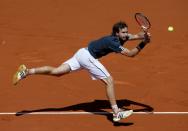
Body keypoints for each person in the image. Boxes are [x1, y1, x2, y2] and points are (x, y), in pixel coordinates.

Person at [13, 21, 151, 122]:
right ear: (117, 33)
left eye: (127, 32)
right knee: (109, 81)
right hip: (88, 57)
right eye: (124, 32)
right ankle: (116, 112)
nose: (126, 34)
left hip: (81, 53)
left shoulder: (121, 37)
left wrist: (144, 35)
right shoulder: (113, 42)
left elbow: (135, 36)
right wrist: (144, 43)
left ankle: (26, 71)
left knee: (57, 72)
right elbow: (132, 53)